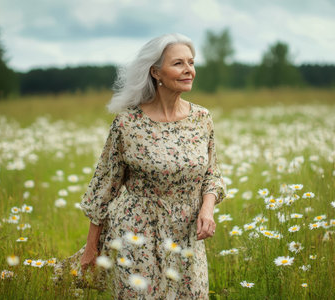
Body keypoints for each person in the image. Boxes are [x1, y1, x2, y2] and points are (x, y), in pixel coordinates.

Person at [55, 33, 226, 299]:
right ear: (156, 72)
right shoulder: (128, 123)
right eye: (178, 63)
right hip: (137, 235)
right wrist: (91, 248)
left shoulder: (202, 119)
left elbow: (212, 174)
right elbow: (104, 187)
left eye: (191, 63)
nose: (189, 70)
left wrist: (207, 209)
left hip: (187, 237)